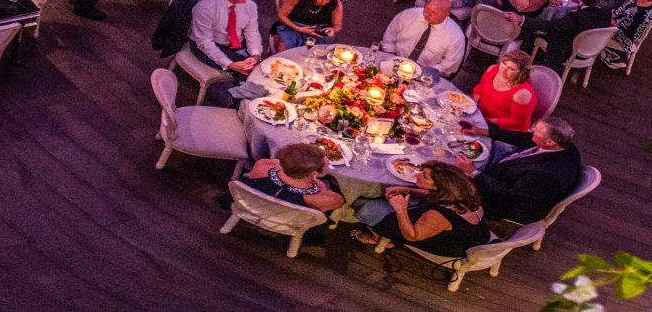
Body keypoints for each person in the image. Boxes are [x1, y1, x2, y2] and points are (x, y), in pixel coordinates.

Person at [456, 118, 582, 224]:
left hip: (504, 202)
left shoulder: (545, 175)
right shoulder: (564, 145)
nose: (531, 130)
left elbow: (507, 194)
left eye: (537, 130)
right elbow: (523, 138)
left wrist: (473, 172)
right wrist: (482, 131)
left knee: (453, 177)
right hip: (509, 172)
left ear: (550, 142)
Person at [353, 161, 489, 256]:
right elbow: (432, 194)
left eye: (424, 177)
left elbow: (412, 236)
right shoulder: (463, 191)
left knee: (371, 209)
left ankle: (376, 237)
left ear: (439, 186)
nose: (417, 175)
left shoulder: (439, 215)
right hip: (472, 233)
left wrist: (401, 210)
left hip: (444, 243)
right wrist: (406, 190)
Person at [189, 0, 263, 80]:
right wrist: (231, 64)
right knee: (251, 72)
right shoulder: (205, 8)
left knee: (260, 67)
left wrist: (255, 55)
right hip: (205, 46)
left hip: (235, 43)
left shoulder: (250, 6)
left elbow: (252, 33)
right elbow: (205, 43)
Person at [243, 143, 345, 214]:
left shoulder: (263, 164)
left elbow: (278, 163)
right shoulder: (329, 198)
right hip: (285, 223)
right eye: (327, 165)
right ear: (314, 173)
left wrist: (297, 161)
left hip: (250, 206)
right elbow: (340, 202)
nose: (328, 168)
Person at [380, 0, 465, 77]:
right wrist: (391, 57)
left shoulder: (455, 36)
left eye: (434, 12)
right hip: (394, 60)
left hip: (424, 74)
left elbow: (449, 66)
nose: (427, 13)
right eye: (427, 8)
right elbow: (390, 37)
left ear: (446, 15)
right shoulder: (409, 15)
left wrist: (422, 73)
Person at [470, 48, 538, 135]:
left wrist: (486, 120)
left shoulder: (522, 93)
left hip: (504, 131)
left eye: (511, 69)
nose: (503, 69)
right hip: (482, 115)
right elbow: (480, 88)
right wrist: (471, 105)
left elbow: (516, 122)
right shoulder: (493, 69)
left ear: (521, 73)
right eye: (504, 63)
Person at [600, 0, 652, 68]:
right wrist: (610, 16)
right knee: (597, 12)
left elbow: (629, 33)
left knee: (592, 21)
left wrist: (612, 23)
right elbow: (621, 9)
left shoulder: (645, 15)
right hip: (617, 23)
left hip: (623, 37)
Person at [272, 0, 342, 50]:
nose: (324, 3)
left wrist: (333, 29)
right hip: (294, 27)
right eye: (321, 0)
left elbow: (338, 26)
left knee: (317, 54)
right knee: (283, 46)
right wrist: (299, 28)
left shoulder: (335, 3)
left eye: (328, 1)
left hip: (318, 33)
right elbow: (281, 16)